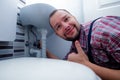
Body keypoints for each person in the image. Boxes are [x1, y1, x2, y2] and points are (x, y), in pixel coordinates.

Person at [45, 9, 120, 80]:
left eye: (66, 19)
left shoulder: (101, 32)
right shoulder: (77, 44)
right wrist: (45, 51)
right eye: (58, 26)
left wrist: (86, 64)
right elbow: (63, 64)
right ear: (57, 34)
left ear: (74, 17)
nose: (65, 26)